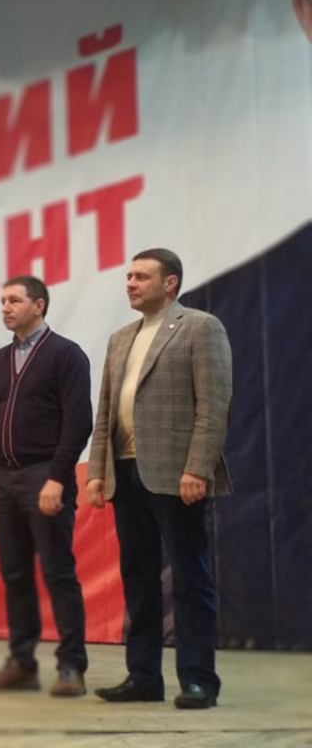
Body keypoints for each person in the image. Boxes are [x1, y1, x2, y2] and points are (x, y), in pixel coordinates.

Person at [87, 248, 232, 710]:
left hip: (176, 472)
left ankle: (199, 680)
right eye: (128, 276)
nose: (130, 283)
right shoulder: (120, 339)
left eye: (141, 276)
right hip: (125, 470)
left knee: (189, 578)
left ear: (170, 283)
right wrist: (97, 471)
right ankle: (143, 677)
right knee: (138, 578)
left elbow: (213, 404)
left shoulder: (200, 327)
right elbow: (106, 411)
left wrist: (197, 467)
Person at [0, 276, 92, 697]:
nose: (5, 307)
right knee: (15, 573)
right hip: (3, 478)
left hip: (44, 474)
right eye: (2, 300)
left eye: (14, 300)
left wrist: (58, 477)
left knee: (57, 571)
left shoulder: (66, 354)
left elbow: (79, 422)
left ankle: (71, 666)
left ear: (39, 305)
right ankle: (22, 663)